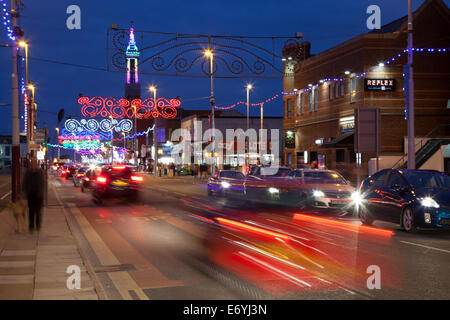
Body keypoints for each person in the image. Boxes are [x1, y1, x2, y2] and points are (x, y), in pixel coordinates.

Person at [22, 159, 44, 233]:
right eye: (32, 163)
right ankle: (31, 226)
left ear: (37, 164)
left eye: (35, 163)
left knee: (38, 211)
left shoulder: (40, 172)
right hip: (30, 194)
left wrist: (42, 194)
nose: (33, 164)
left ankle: (37, 226)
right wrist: (24, 192)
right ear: (31, 164)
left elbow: (42, 183)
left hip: (38, 195)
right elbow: (24, 182)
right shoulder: (28, 172)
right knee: (31, 211)